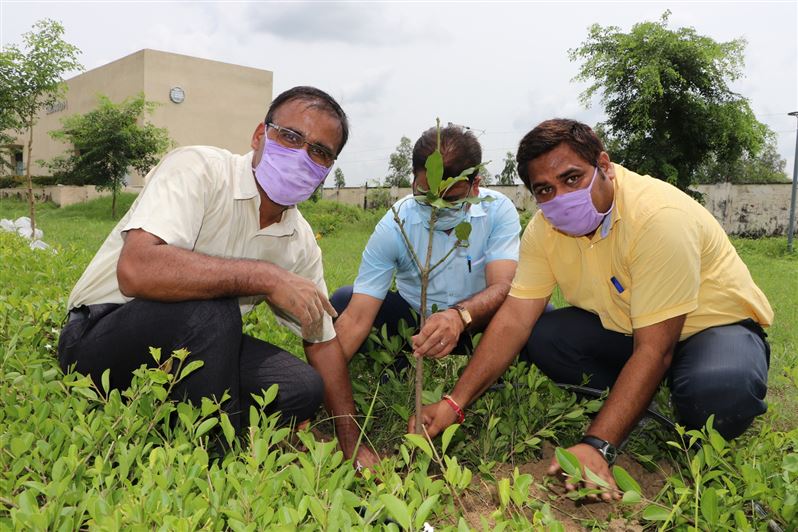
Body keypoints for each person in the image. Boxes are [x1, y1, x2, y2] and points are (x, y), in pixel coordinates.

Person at [412, 118, 773, 499]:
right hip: (630, 332)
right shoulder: (544, 231)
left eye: (572, 179)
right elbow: (515, 318)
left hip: (712, 329)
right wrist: (455, 401)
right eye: (545, 190)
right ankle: (647, 390)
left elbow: (656, 348)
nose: (561, 198)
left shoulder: (659, 217)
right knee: (542, 335)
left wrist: (598, 444)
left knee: (718, 391)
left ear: (604, 165)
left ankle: (679, 390)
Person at [57, 86, 379, 468]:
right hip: (100, 338)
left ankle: (171, 417)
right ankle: (214, 462)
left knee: (301, 388)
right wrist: (266, 276)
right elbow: (136, 269)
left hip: (196, 347)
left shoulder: (300, 239)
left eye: (320, 152)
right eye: (290, 137)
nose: (301, 155)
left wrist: (351, 443)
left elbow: (322, 341)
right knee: (214, 310)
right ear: (260, 135)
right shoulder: (199, 169)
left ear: (327, 170)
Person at [332, 125, 520, 365]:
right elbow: (358, 317)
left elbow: (503, 286)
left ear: (474, 186)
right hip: (414, 322)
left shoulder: (497, 211)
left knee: (537, 315)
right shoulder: (396, 223)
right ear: (413, 180)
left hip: (477, 322)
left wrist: (459, 316)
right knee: (344, 301)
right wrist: (323, 388)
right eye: (425, 197)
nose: (436, 210)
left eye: (449, 200)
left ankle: (498, 373)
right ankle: (397, 365)